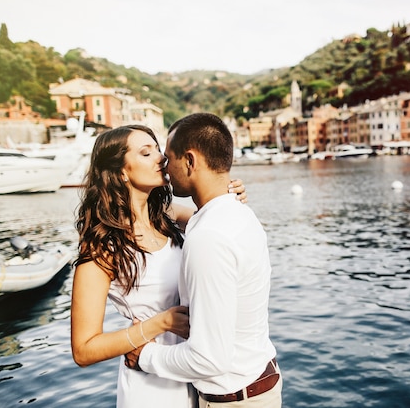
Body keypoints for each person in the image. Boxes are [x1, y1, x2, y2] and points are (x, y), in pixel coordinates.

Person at [70, 124, 247, 408]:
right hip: (150, 384)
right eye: (146, 152)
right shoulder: (103, 246)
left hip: (197, 374)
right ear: (121, 171)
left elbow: (221, 223)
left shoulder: (170, 217)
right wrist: (161, 323)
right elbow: (83, 350)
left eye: (158, 149)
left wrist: (230, 194)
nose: (161, 158)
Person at [125, 113, 282, 407]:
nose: (164, 166)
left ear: (190, 161)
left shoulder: (209, 236)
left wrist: (144, 355)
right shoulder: (235, 214)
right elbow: (178, 216)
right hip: (257, 383)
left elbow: (209, 358)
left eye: (168, 157)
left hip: (235, 400)